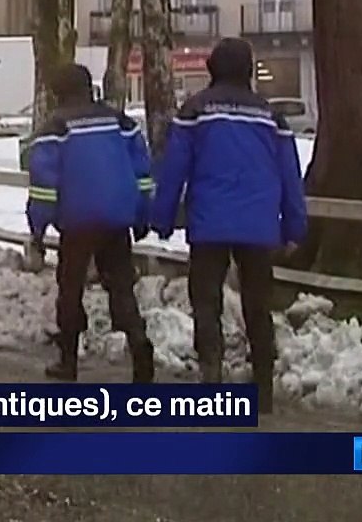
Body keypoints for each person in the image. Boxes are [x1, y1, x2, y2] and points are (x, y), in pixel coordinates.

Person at [150, 37, 307, 412]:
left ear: (212, 69)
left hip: (209, 223)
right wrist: (295, 228)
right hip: (259, 226)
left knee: (206, 301)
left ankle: (212, 376)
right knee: (257, 304)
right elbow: (290, 176)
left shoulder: (195, 111)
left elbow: (174, 170)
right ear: (249, 70)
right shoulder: (271, 117)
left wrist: (163, 217)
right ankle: (263, 386)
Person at [26, 64, 156, 383]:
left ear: (58, 93)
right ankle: (140, 347)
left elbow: (44, 183)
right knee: (121, 285)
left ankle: (68, 361)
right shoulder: (120, 121)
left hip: (78, 221)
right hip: (117, 219)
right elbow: (142, 172)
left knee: (70, 288)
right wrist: (141, 214)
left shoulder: (55, 127)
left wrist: (38, 228)